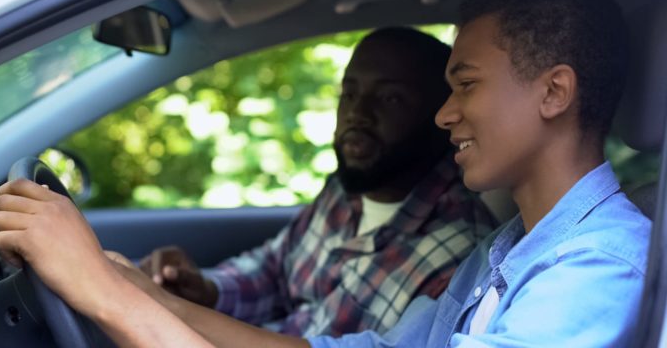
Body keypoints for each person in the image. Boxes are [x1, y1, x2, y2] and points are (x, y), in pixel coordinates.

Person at [0, 0, 651, 348]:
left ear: (554, 92)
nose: (445, 113)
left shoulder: (598, 268)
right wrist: (134, 288)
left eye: (465, 85)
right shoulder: (506, 253)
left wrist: (102, 295)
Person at [134, 27, 495, 337]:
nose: (357, 113)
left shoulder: (459, 255)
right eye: (349, 93)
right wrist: (207, 291)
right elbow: (275, 268)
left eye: (390, 98)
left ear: (443, 115)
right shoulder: (347, 188)